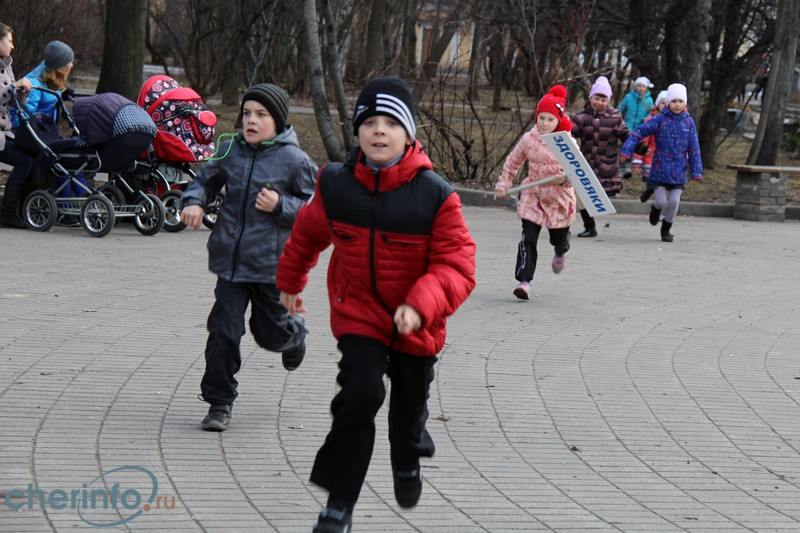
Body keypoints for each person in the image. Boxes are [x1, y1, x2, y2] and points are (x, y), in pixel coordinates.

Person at [275, 76, 476, 533]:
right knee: (359, 397)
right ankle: (338, 505)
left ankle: (407, 459)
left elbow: (457, 267)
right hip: (360, 310)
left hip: (417, 323)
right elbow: (306, 235)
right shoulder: (336, 184)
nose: (379, 131)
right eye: (370, 122)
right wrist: (289, 282)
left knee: (407, 414)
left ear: (409, 134)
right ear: (358, 131)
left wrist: (420, 304)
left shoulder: (435, 196)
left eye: (391, 123)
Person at [180, 83, 317, 432]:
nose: (251, 121)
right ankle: (219, 402)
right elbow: (204, 180)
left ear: (278, 120)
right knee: (223, 329)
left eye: (261, 115)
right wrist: (194, 201)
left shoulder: (295, 160)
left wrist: (281, 206)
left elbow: (316, 211)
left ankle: (294, 336)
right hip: (231, 262)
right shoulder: (230, 150)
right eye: (247, 114)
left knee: (268, 333)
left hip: (272, 266)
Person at [494, 85, 575, 301]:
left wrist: (565, 179)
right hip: (533, 194)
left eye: (550, 119)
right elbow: (513, 162)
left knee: (558, 237)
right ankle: (524, 281)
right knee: (528, 237)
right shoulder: (529, 138)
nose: (544, 123)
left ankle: (561, 250)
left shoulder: (566, 142)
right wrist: (504, 183)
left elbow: (578, 175)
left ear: (559, 120)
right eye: (541, 118)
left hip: (558, 197)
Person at [620, 83, 702, 242]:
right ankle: (655, 209)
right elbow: (639, 132)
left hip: (679, 168)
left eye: (680, 101)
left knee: (674, 202)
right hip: (660, 166)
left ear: (685, 103)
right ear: (668, 102)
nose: (677, 105)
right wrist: (627, 150)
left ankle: (666, 228)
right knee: (661, 201)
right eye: (673, 101)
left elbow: (694, 148)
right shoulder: (660, 119)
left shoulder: (689, 122)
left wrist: (696, 171)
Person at [571, 75, 630, 238]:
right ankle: (590, 227)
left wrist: (636, 147)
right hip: (586, 162)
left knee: (603, 192)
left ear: (608, 101)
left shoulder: (615, 117)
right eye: (597, 98)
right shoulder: (580, 117)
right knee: (582, 196)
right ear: (591, 97)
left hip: (607, 163)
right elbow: (570, 134)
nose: (599, 102)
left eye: (604, 100)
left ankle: (599, 206)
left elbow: (626, 136)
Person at [0, 22, 34, 229]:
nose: (12, 46)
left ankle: (20, 209)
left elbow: (15, 102)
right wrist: (15, 85)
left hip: (5, 133)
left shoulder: (7, 66)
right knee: (24, 161)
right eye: (9, 41)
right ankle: (8, 213)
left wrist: (23, 92)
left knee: (29, 159)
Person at [12, 40, 74, 128]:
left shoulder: (53, 78)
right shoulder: (33, 86)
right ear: (61, 65)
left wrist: (61, 96)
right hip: (29, 133)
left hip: (45, 128)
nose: (72, 65)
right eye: (70, 62)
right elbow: (22, 121)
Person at [618, 76, 654, 178]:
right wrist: (617, 117)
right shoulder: (629, 97)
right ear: (635, 86)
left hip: (640, 128)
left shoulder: (649, 100)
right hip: (627, 126)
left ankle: (632, 166)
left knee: (636, 147)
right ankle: (624, 167)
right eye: (639, 86)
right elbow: (621, 108)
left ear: (646, 88)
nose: (641, 88)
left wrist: (646, 119)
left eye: (643, 86)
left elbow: (650, 113)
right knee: (626, 146)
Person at [639, 89, 668, 203]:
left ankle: (658, 204)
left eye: (667, 103)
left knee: (662, 185)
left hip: (666, 159)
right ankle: (649, 190)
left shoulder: (676, 121)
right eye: (662, 103)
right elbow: (644, 139)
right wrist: (639, 157)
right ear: (657, 105)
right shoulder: (652, 120)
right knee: (652, 182)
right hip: (651, 157)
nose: (665, 106)